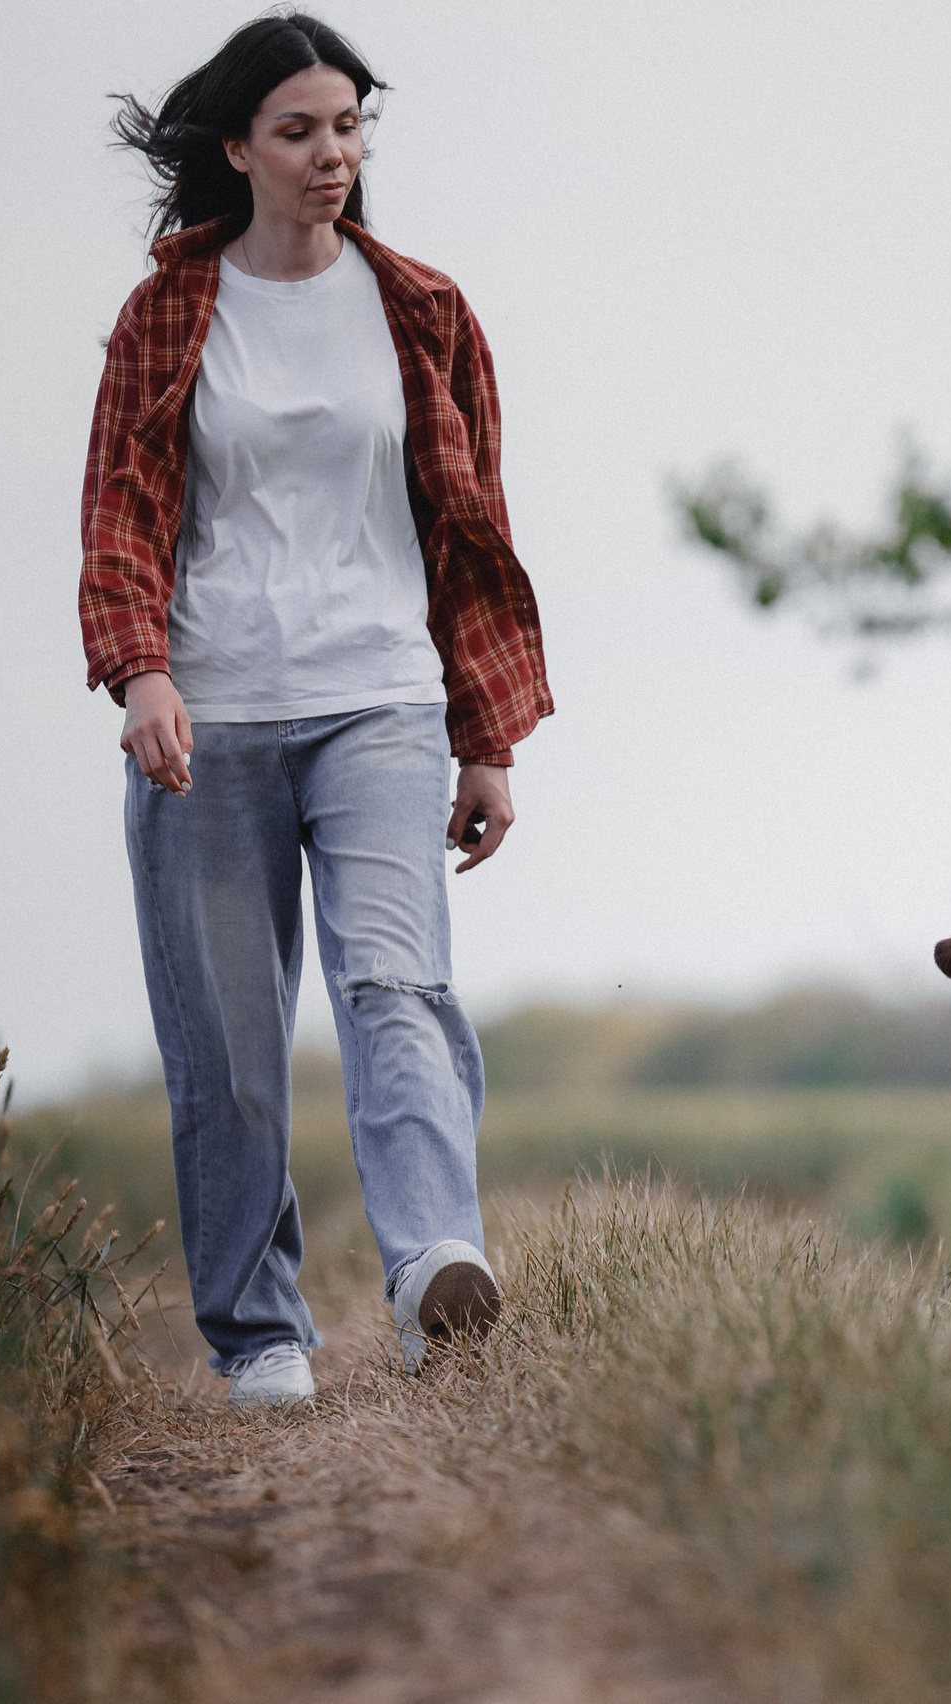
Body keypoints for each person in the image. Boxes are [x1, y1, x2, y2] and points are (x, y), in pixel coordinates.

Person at [81, 13, 552, 1406]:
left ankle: (431, 1270)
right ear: (238, 148)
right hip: (210, 715)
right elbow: (120, 503)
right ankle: (260, 1332)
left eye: (349, 125)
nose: (332, 154)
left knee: (398, 985)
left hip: (383, 705)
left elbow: (473, 536)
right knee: (226, 1039)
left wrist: (488, 738)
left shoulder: (422, 310)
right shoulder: (171, 312)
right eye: (300, 131)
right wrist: (140, 667)